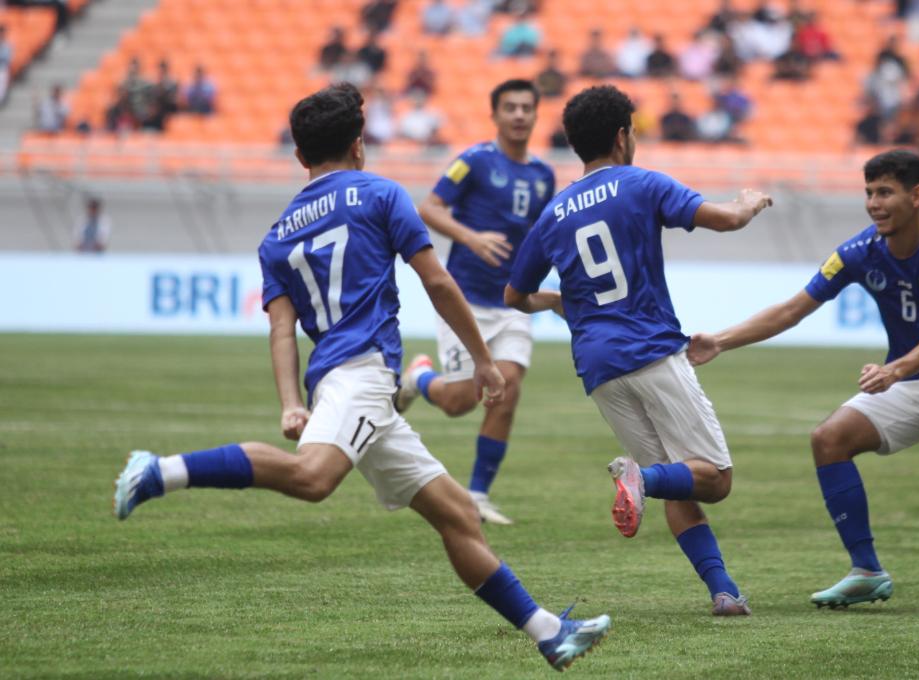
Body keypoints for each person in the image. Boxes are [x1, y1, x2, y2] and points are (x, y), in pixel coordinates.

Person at [111, 83, 610, 671]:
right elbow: (440, 282)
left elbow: (280, 330)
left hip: (339, 380)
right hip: (366, 374)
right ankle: (160, 471)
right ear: (358, 145)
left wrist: (290, 403)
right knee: (312, 478)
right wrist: (481, 359)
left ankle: (549, 631)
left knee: (457, 514)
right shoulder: (379, 194)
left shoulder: (276, 237)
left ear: (300, 157)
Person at [687, 149, 919, 618]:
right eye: (869, 192)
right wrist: (721, 341)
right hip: (907, 381)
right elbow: (792, 309)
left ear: (917, 195)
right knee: (828, 439)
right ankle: (867, 570)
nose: (874, 203)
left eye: (885, 192)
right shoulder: (856, 252)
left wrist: (893, 370)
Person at [503, 85, 773, 616]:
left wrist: (559, 298)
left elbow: (514, 296)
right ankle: (639, 480)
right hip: (650, 350)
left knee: (682, 484)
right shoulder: (641, 183)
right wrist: (747, 203)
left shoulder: (553, 213)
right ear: (623, 135)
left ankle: (723, 592)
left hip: (599, 367)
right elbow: (724, 220)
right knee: (714, 479)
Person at [393, 80, 554, 526]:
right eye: (510, 108)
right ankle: (418, 378)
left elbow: (539, 236)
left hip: (512, 303)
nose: (519, 115)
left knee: (509, 389)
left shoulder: (543, 175)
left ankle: (478, 494)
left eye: (526, 107)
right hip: (465, 300)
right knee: (460, 400)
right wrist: (471, 237)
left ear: (536, 114)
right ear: (496, 114)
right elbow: (430, 208)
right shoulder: (475, 161)